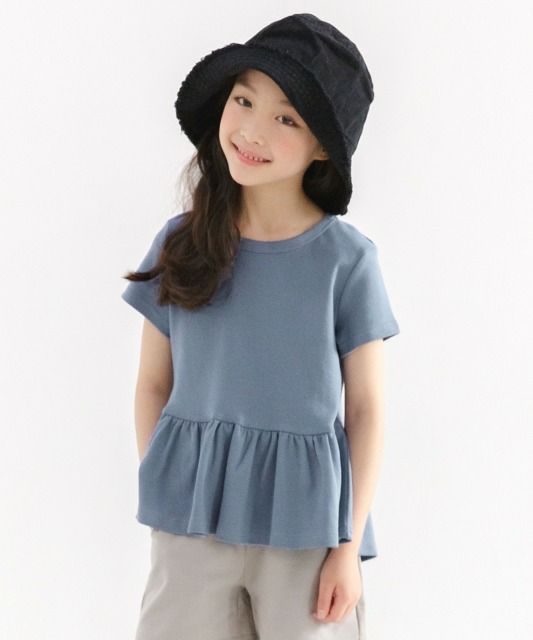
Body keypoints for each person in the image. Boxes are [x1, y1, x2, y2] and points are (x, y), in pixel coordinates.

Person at [121, 12, 400, 640]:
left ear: (323, 146)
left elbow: (366, 410)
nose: (251, 130)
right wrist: (167, 487)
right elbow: (152, 383)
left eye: (286, 118)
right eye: (244, 100)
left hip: (307, 529)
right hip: (192, 526)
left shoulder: (347, 262)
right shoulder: (182, 243)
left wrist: (348, 546)